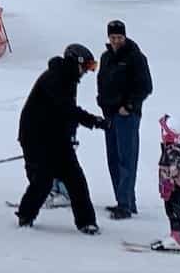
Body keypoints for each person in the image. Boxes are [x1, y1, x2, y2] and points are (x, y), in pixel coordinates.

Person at [15, 43, 108, 234]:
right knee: (43, 179)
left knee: (76, 180)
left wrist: (71, 133)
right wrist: (94, 121)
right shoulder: (55, 78)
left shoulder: (69, 78)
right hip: (36, 137)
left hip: (57, 137)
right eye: (87, 67)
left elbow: (64, 113)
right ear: (76, 62)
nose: (87, 72)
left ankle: (86, 222)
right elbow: (67, 109)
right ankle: (25, 215)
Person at [97, 19, 153, 219]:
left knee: (126, 159)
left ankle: (126, 204)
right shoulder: (105, 58)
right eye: (113, 37)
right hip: (110, 115)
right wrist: (102, 103)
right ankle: (124, 200)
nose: (116, 41)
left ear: (125, 36)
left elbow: (145, 86)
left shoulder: (135, 57)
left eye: (119, 37)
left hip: (127, 116)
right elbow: (102, 81)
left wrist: (129, 106)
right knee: (113, 158)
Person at [156, 114, 180, 251]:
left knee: (172, 208)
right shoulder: (175, 147)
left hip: (174, 186)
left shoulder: (174, 150)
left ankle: (177, 236)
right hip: (176, 185)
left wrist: (169, 181)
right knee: (176, 207)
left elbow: (174, 167)